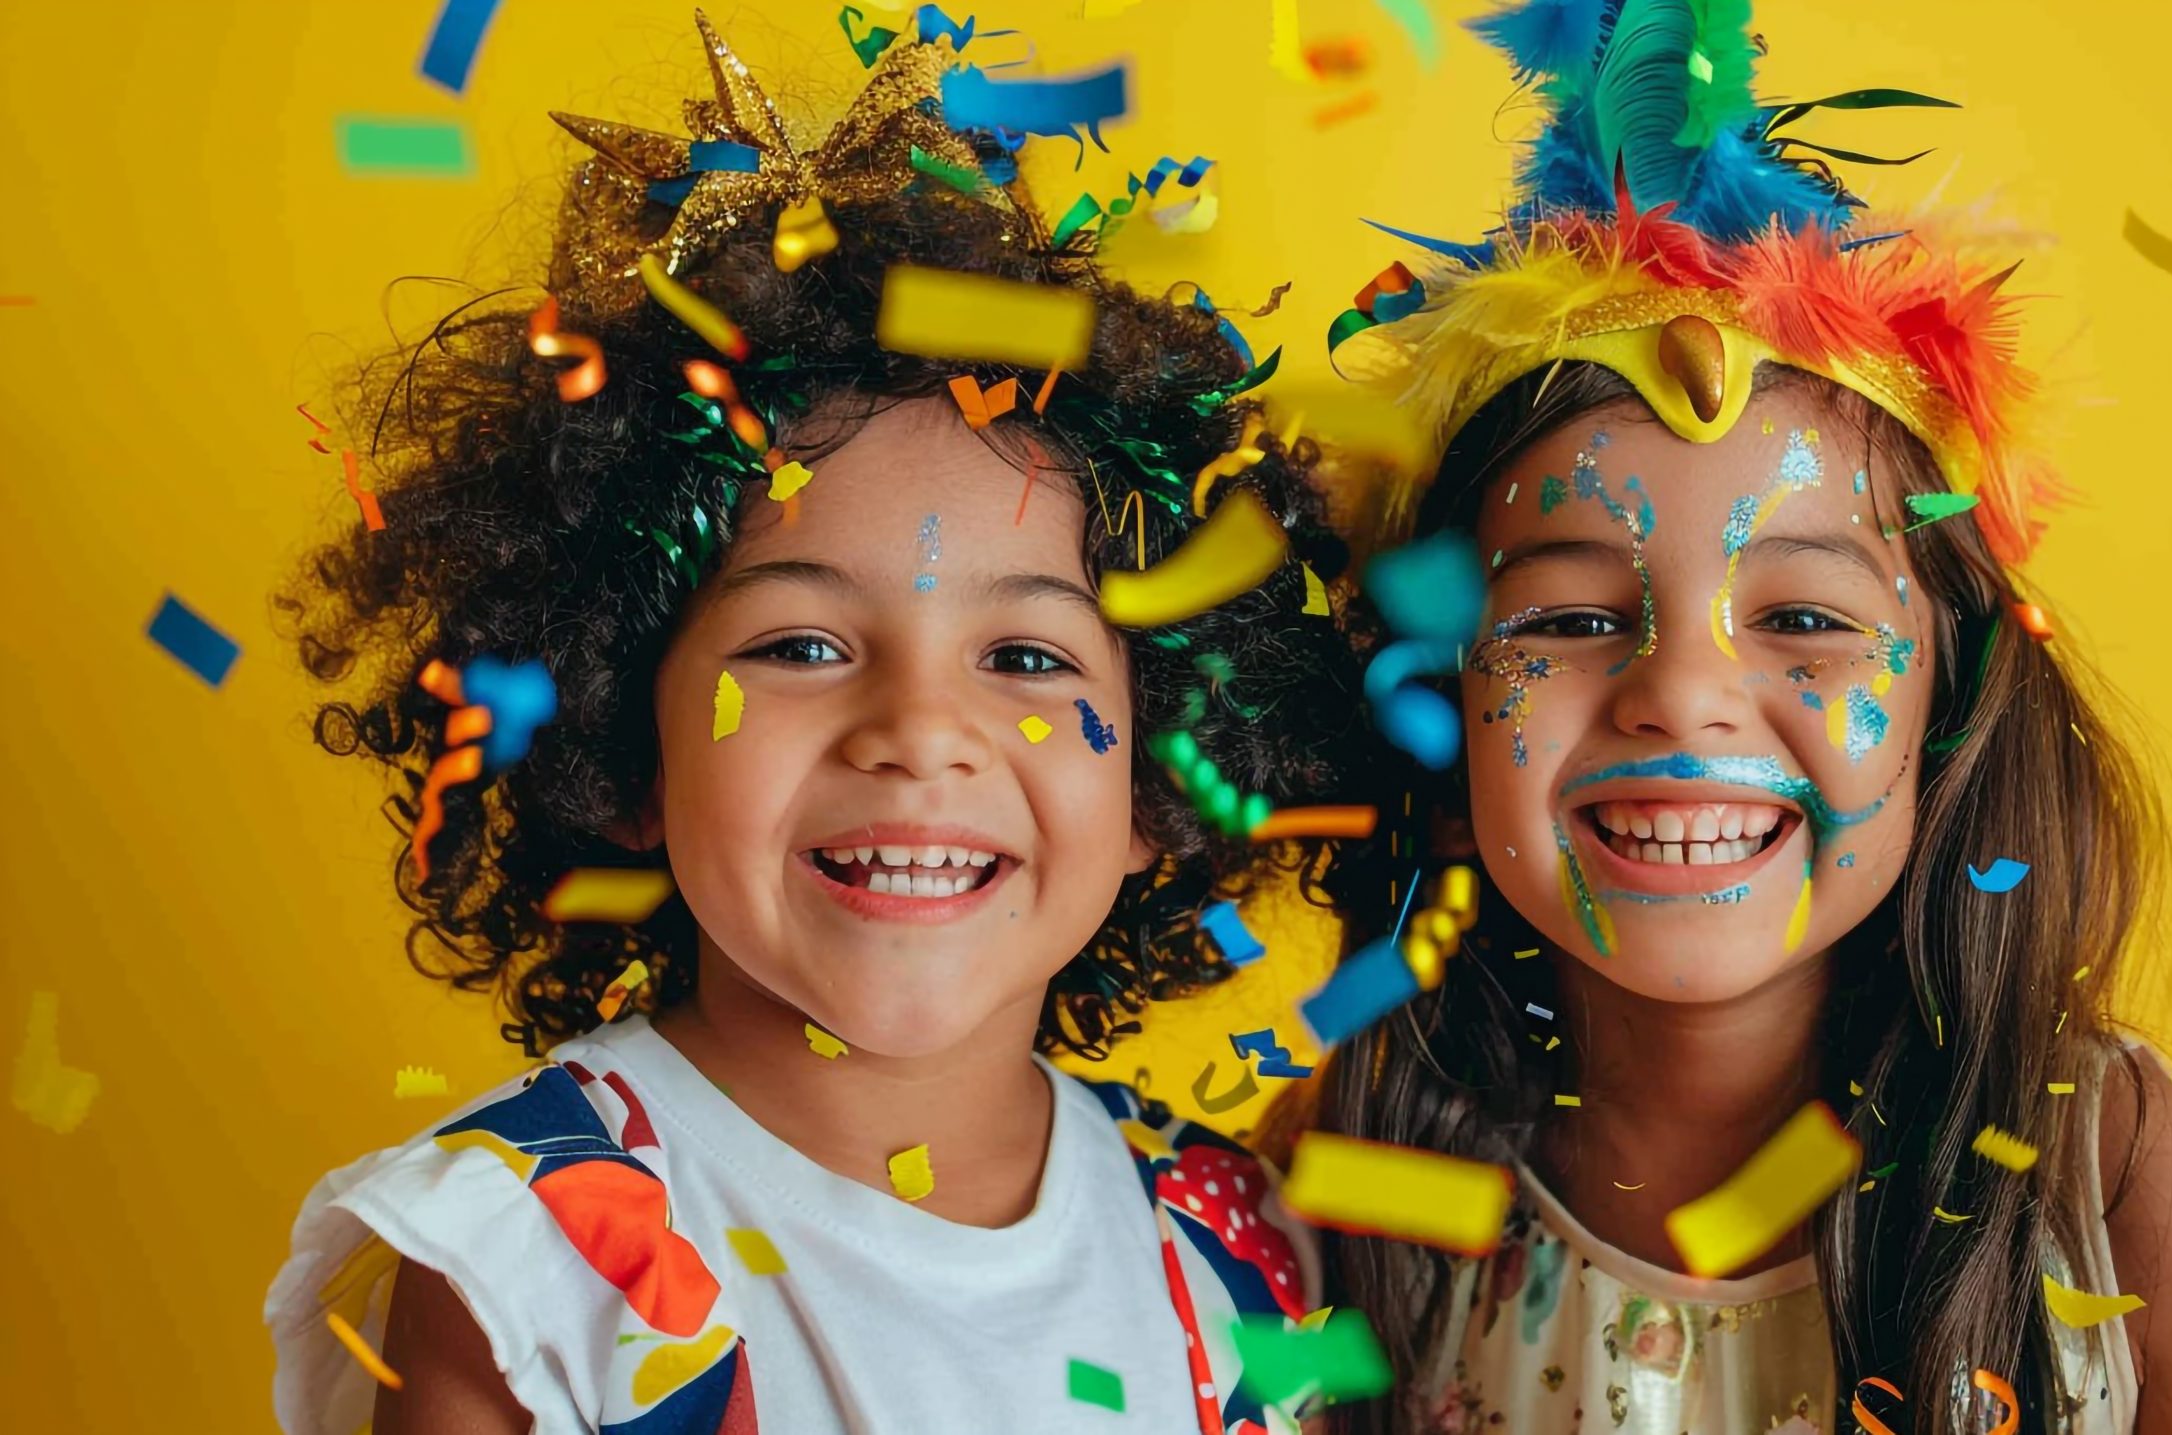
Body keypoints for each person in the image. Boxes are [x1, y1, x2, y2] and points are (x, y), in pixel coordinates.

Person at [263, 13, 1365, 1433]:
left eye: (1026, 656)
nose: (918, 730)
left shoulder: (1242, 1247)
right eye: (801, 645)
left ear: (1165, 776)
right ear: (615, 743)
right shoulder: (525, 1255)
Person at [1300, 1, 2172, 1430]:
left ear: (1955, 691)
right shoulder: (1332, 1189)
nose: (1678, 691)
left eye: (1804, 620)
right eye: (1568, 619)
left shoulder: (2141, 1207)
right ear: (1444, 694)